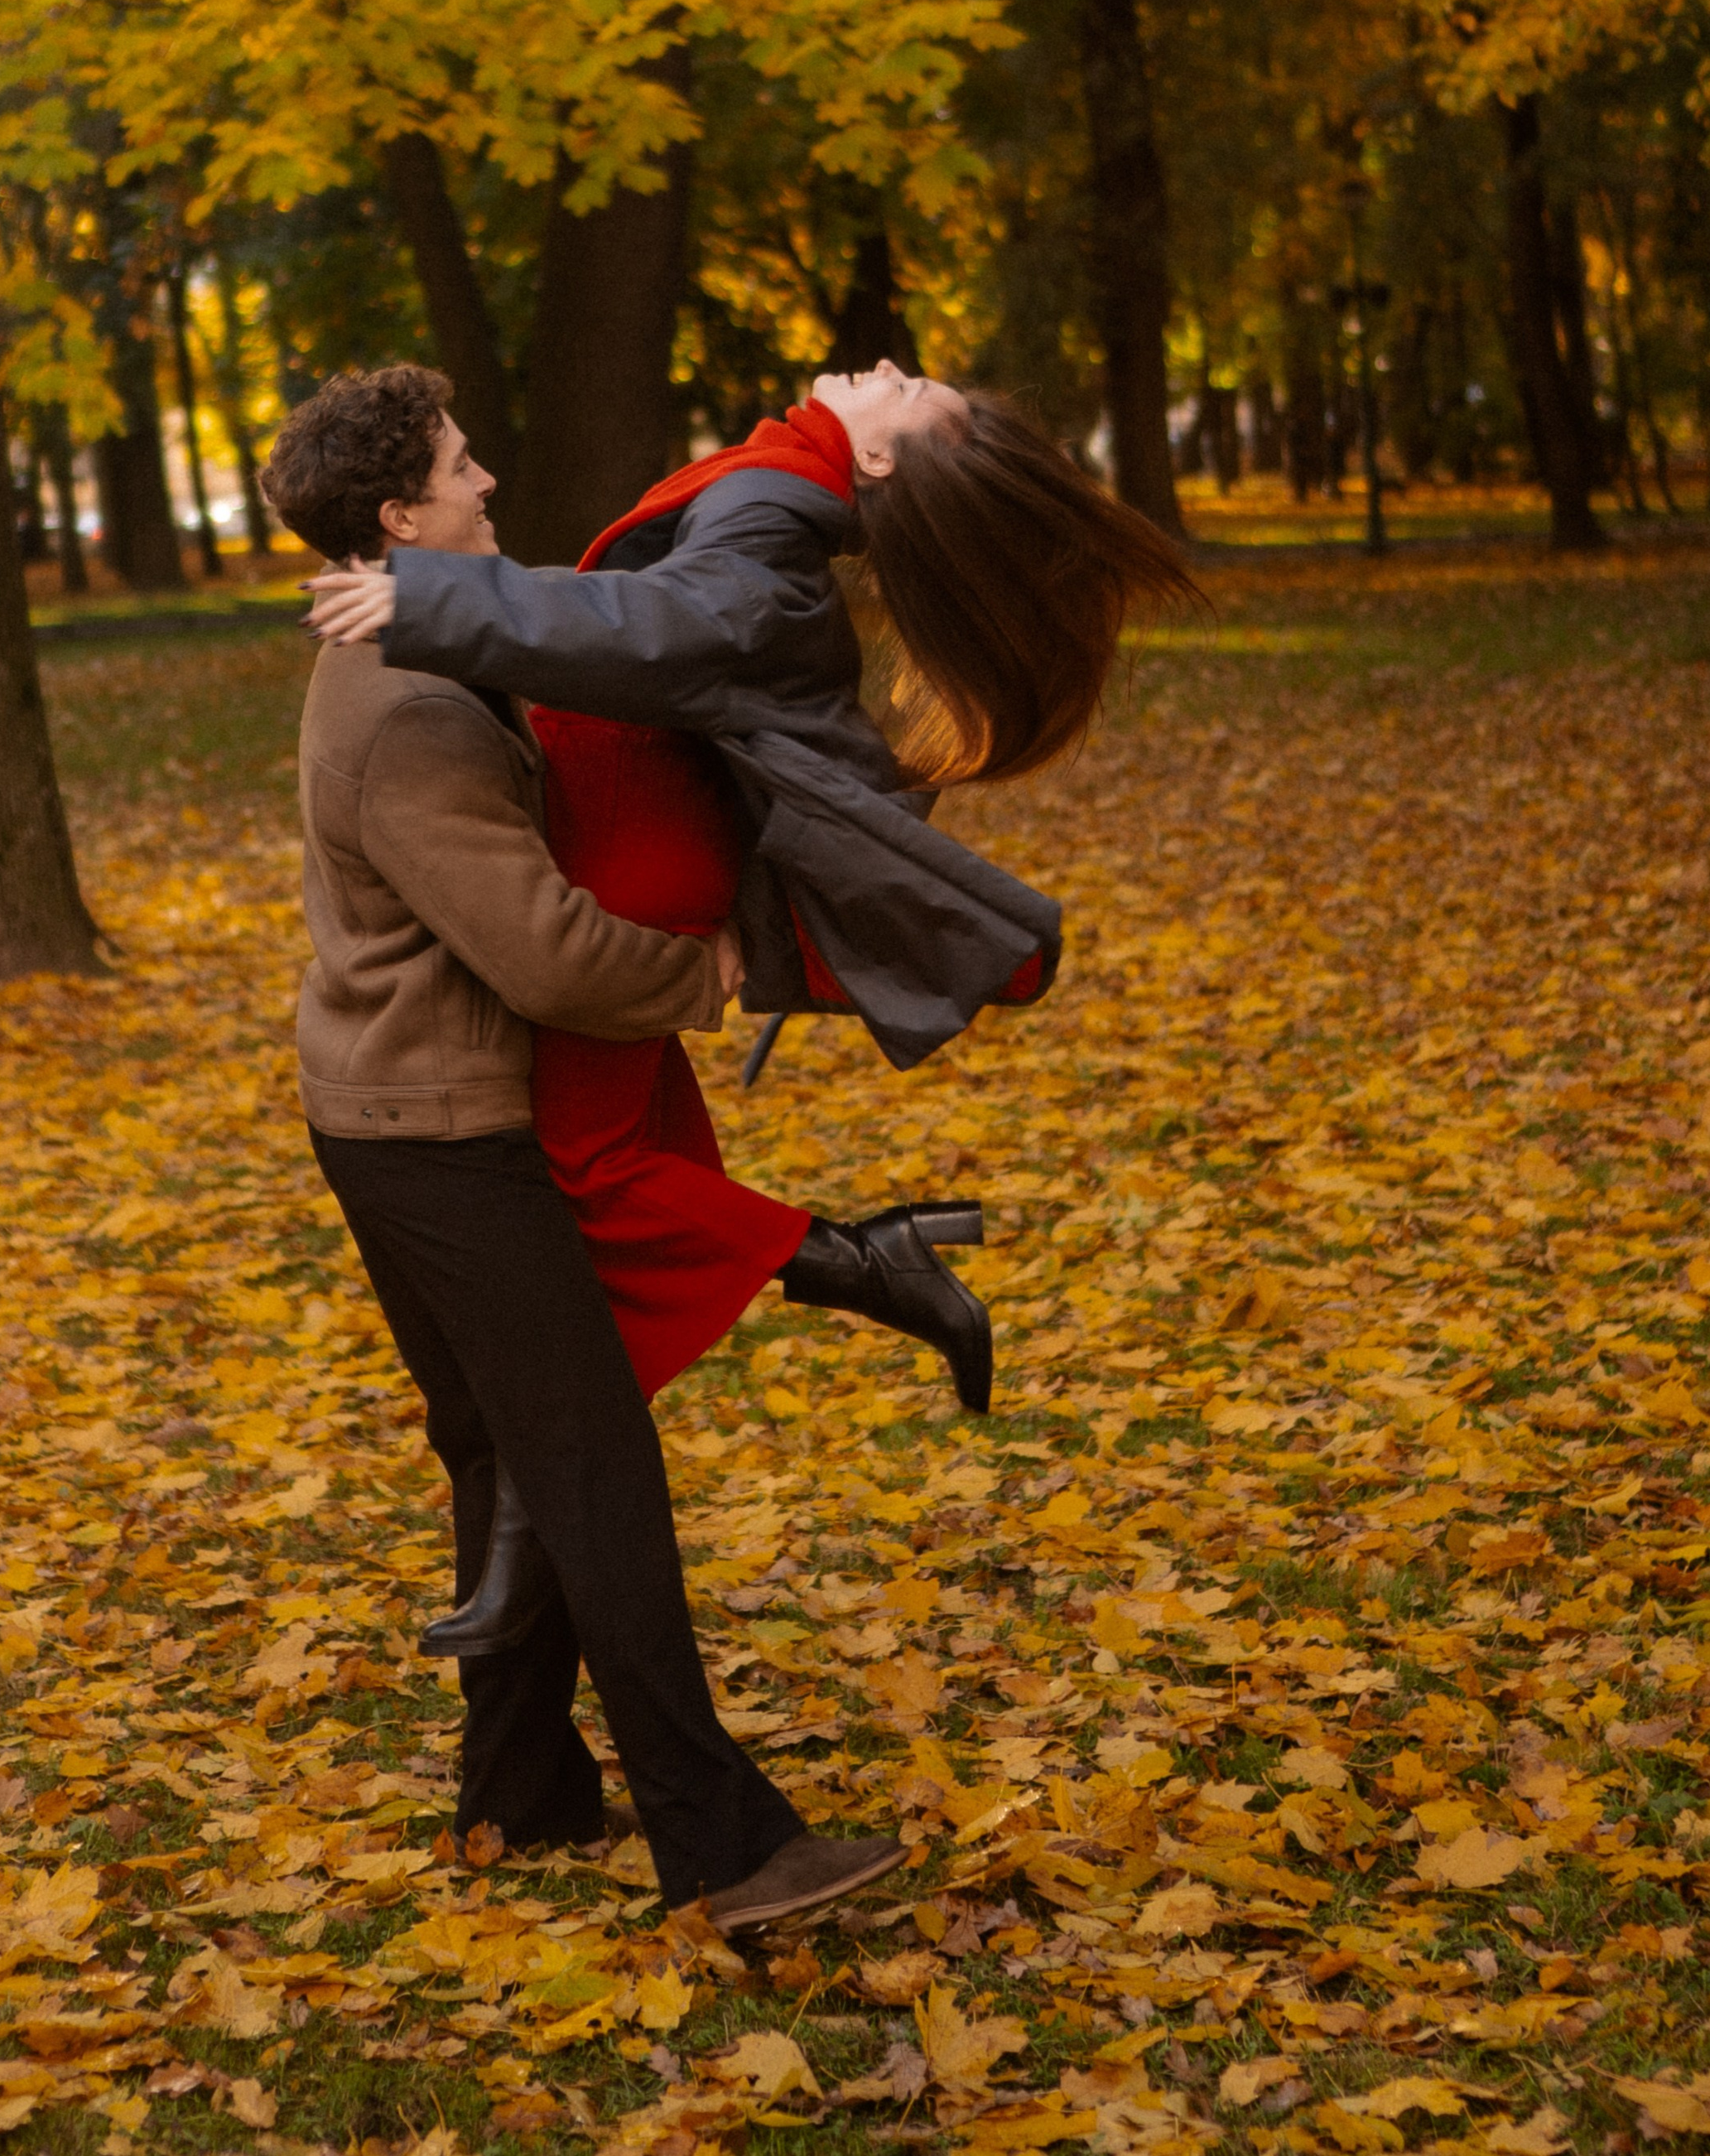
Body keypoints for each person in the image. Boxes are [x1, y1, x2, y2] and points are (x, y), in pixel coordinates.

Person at [311, 361, 1189, 1647]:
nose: (895, 368)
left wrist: (431, 600)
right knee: (598, 1195)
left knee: (585, 1183)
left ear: (877, 462)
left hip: (627, 859)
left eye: (915, 396)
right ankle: (536, 1538)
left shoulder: (776, 520)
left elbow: (657, 632)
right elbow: (633, 610)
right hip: (630, 830)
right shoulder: (779, 486)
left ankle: (850, 1271)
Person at [260, 364, 904, 1934]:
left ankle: (521, 1799)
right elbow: (541, 950)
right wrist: (708, 973)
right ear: (402, 516)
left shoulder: (433, 643)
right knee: (590, 1469)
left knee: (504, 1460)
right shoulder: (412, 707)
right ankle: (727, 1848)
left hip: (406, 1113)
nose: (489, 482)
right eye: (461, 468)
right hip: (439, 1135)